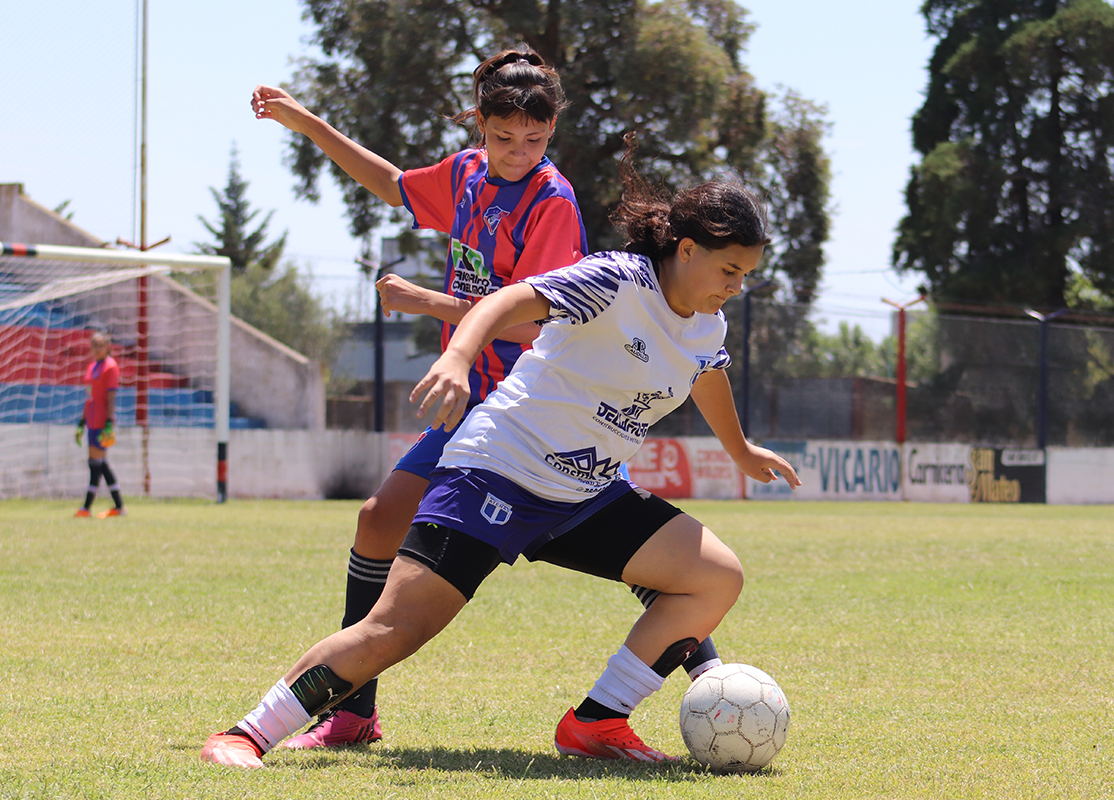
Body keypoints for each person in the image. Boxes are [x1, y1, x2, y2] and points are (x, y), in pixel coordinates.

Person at [200, 138, 800, 769]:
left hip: (585, 494)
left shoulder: (708, 323)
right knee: (396, 629)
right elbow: (507, 300)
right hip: (499, 471)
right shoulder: (618, 281)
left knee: (716, 577)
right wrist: (458, 357)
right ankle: (246, 733)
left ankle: (596, 723)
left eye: (746, 275)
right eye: (729, 270)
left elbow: (706, 371)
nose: (736, 287)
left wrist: (740, 449)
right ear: (686, 250)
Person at [251, 48, 723, 750]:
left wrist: (424, 304)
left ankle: (718, 688)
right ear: (480, 124)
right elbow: (392, 183)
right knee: (380, 520)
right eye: (504, 137)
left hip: (535, 402)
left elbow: (534, 316)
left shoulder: (551, 201)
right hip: (479, 401)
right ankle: (352, 715)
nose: (517, 151)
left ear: (552, 129)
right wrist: (305, 122)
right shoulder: (468, 174)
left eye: (534, 140)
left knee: (640, 551)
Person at [74, 332, 125, 518]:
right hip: (91, 421)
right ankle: (119, 507)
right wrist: (81, 422)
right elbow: (89, 397)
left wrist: (110, 422)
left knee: (95, 464)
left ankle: (86, 508)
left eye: (100, 345)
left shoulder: (110, 367)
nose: (96, 348)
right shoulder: (91, 367)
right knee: (100, 464)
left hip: (102, 421)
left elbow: (111, 396)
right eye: (93, 345)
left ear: (108, 346)